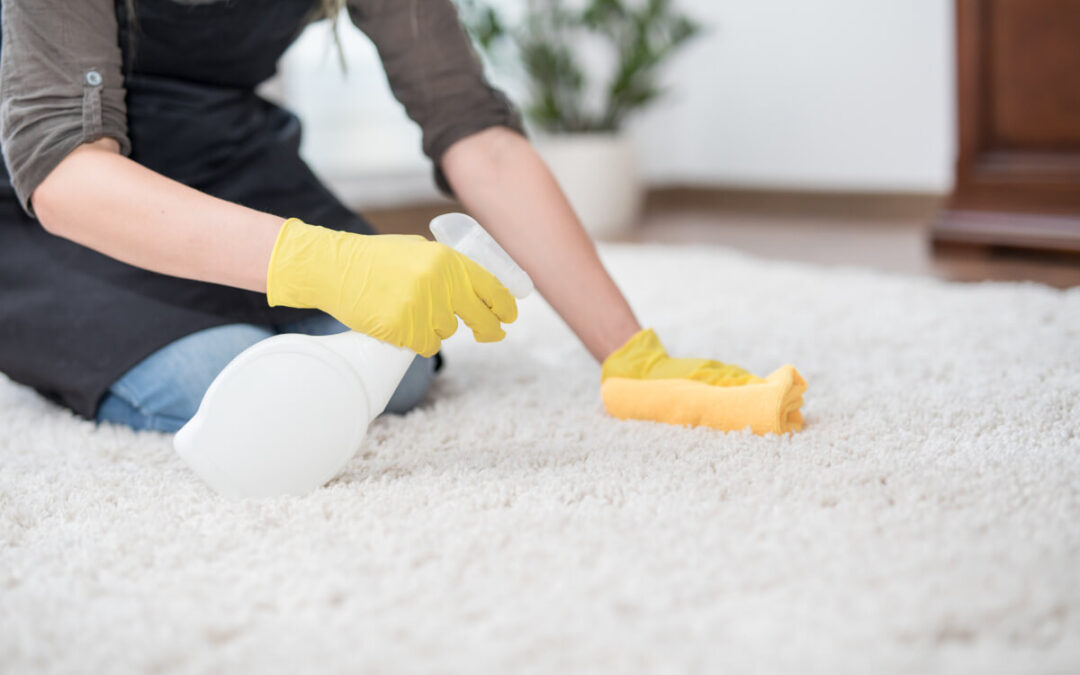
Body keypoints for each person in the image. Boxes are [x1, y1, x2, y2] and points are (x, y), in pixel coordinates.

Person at [0, 0, 762, 435]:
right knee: (232, 382)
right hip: (54, 198)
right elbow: (67, 175)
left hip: (224, 154)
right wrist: (324, 263)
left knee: (395, 373)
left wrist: (632, 354)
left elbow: (475, 131)